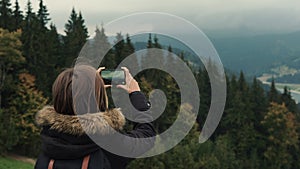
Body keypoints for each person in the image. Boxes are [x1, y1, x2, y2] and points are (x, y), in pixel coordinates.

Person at [34, 65, 156, 169]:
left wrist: (90, 92)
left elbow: (66, 106)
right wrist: (136, 95)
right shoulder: (109, 145)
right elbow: (146, 135)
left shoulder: (49, 140)